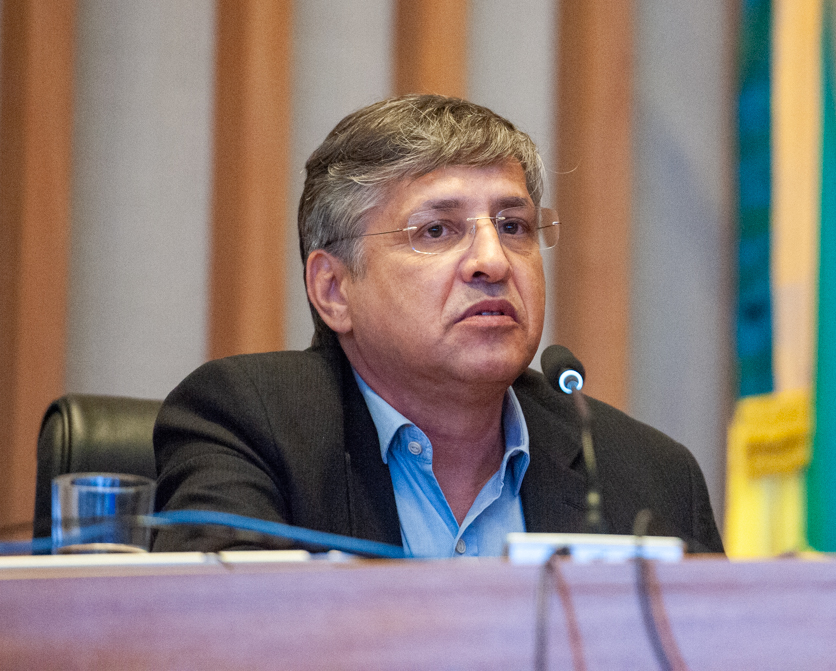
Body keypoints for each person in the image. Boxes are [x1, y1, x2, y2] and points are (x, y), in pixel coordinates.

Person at [154, 94, 724, 557]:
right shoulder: (246, 426)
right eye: (436, 231)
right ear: (334, 289)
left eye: (514, 226)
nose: (493, 261)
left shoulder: (648, 474)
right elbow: (220, 635)